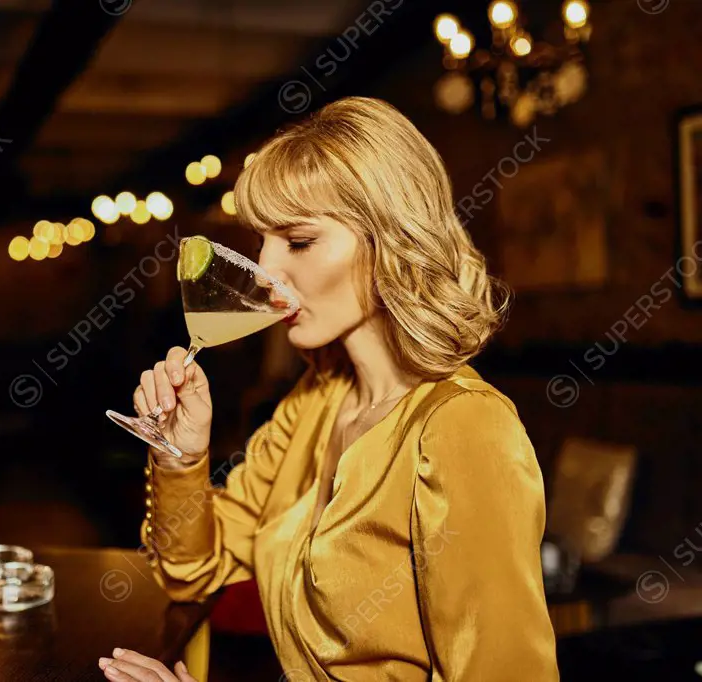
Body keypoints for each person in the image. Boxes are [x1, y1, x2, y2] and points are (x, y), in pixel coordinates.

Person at [98, 97, 558, 681]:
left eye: (299, 241)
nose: (266, 273)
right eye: (261, 242)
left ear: (390, 241)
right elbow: (193, 571)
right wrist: (181, 456)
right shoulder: (317, 400)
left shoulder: (464, 428)